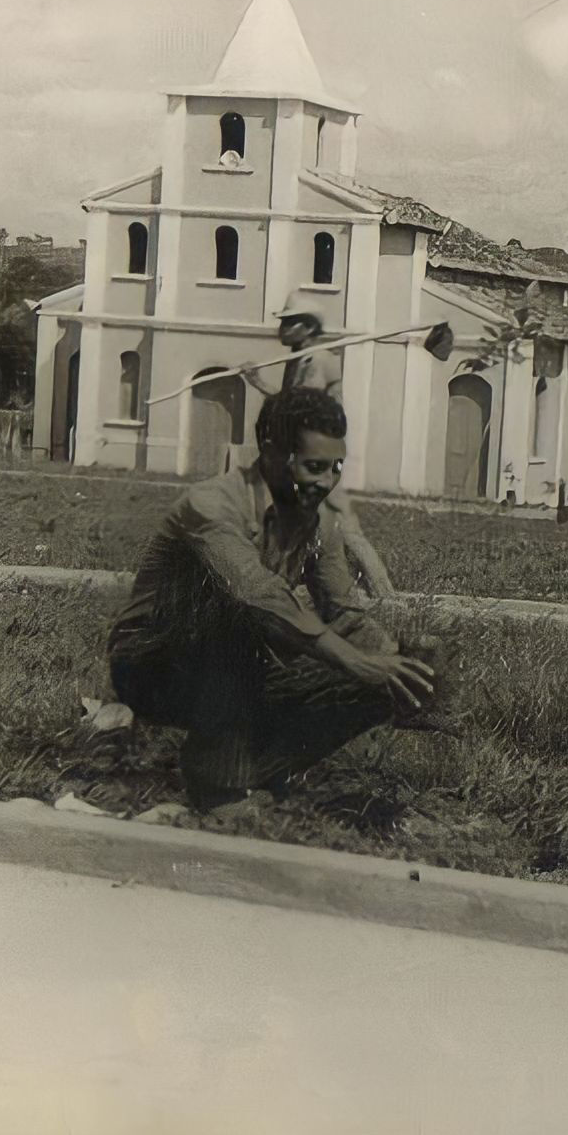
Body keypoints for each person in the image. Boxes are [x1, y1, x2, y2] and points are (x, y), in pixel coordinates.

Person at [108, 386, 440, 814]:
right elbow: (256, 596)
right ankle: (218, 786)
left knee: (398, 670)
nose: (327, 482)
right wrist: (355, 661)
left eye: (336, 468)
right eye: (315, 467)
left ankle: (248, 768)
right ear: (271, 452)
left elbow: (345, 613)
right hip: (151, 664)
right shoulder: (212, 504)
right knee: (244, 616)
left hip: (242, 663)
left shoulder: (321, 521)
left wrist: (396, 666)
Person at [242, 289, 396, 600]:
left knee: (342, 522)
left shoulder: (319, 359)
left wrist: (258, 383)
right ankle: (281, 585)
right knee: (293, 518)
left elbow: (301, 406)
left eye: (290, 323)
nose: (282, 329)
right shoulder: (298, 359)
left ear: (309, 327)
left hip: (320, 454)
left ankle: (384, 595)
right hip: (304, 453)